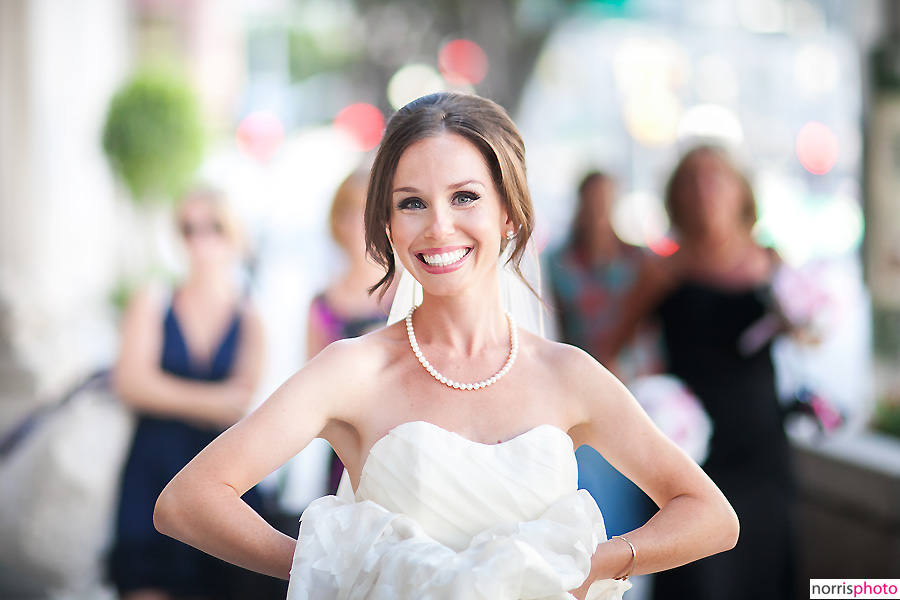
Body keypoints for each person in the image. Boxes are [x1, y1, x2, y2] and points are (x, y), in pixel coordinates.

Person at [153, 93, 739, 600]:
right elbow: (187, 501)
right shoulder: (353, 370)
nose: (438, 227)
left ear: (509, 212)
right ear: (386, 223)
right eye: (412, 203)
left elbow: (711, 516)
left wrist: (597, 565)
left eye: (465, 197)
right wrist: (332, 571)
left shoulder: (568, 375)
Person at [606, 145, 796, 600]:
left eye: (715, 177)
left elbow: (807, 335)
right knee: (700, 580)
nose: (704, 189)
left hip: (762, 444)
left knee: (765, 567)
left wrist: (803, 324)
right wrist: (642, 405)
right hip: (690, 452)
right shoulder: (663, 270)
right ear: (677, 196)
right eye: (691, 180)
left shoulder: (770, 262)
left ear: (740, 190)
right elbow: (610, 352)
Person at [109, 187, 268, 600]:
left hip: (218, 475)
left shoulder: (252, 314)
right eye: (188, 228)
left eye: (212, 227)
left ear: (233, 233)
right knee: (143, 583)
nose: (199, 240)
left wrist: (164, 392)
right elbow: (130, 383)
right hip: (151, 467)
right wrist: (211, 401)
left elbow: (241, 401)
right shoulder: (154, 299)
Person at [546, 171, 660, 598]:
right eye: (591, 200)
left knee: (636, 496)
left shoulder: (639, 260)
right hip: (583, 394)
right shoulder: (560, 262)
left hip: (635, 394)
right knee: (594, 497)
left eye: (606, 201)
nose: (598, 210)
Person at [308, 169, 394, 493]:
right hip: (346, 454)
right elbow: (315, 397)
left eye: (367, 211)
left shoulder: (409, 293)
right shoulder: (323, 304)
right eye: (349, 212)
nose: (358, 224)